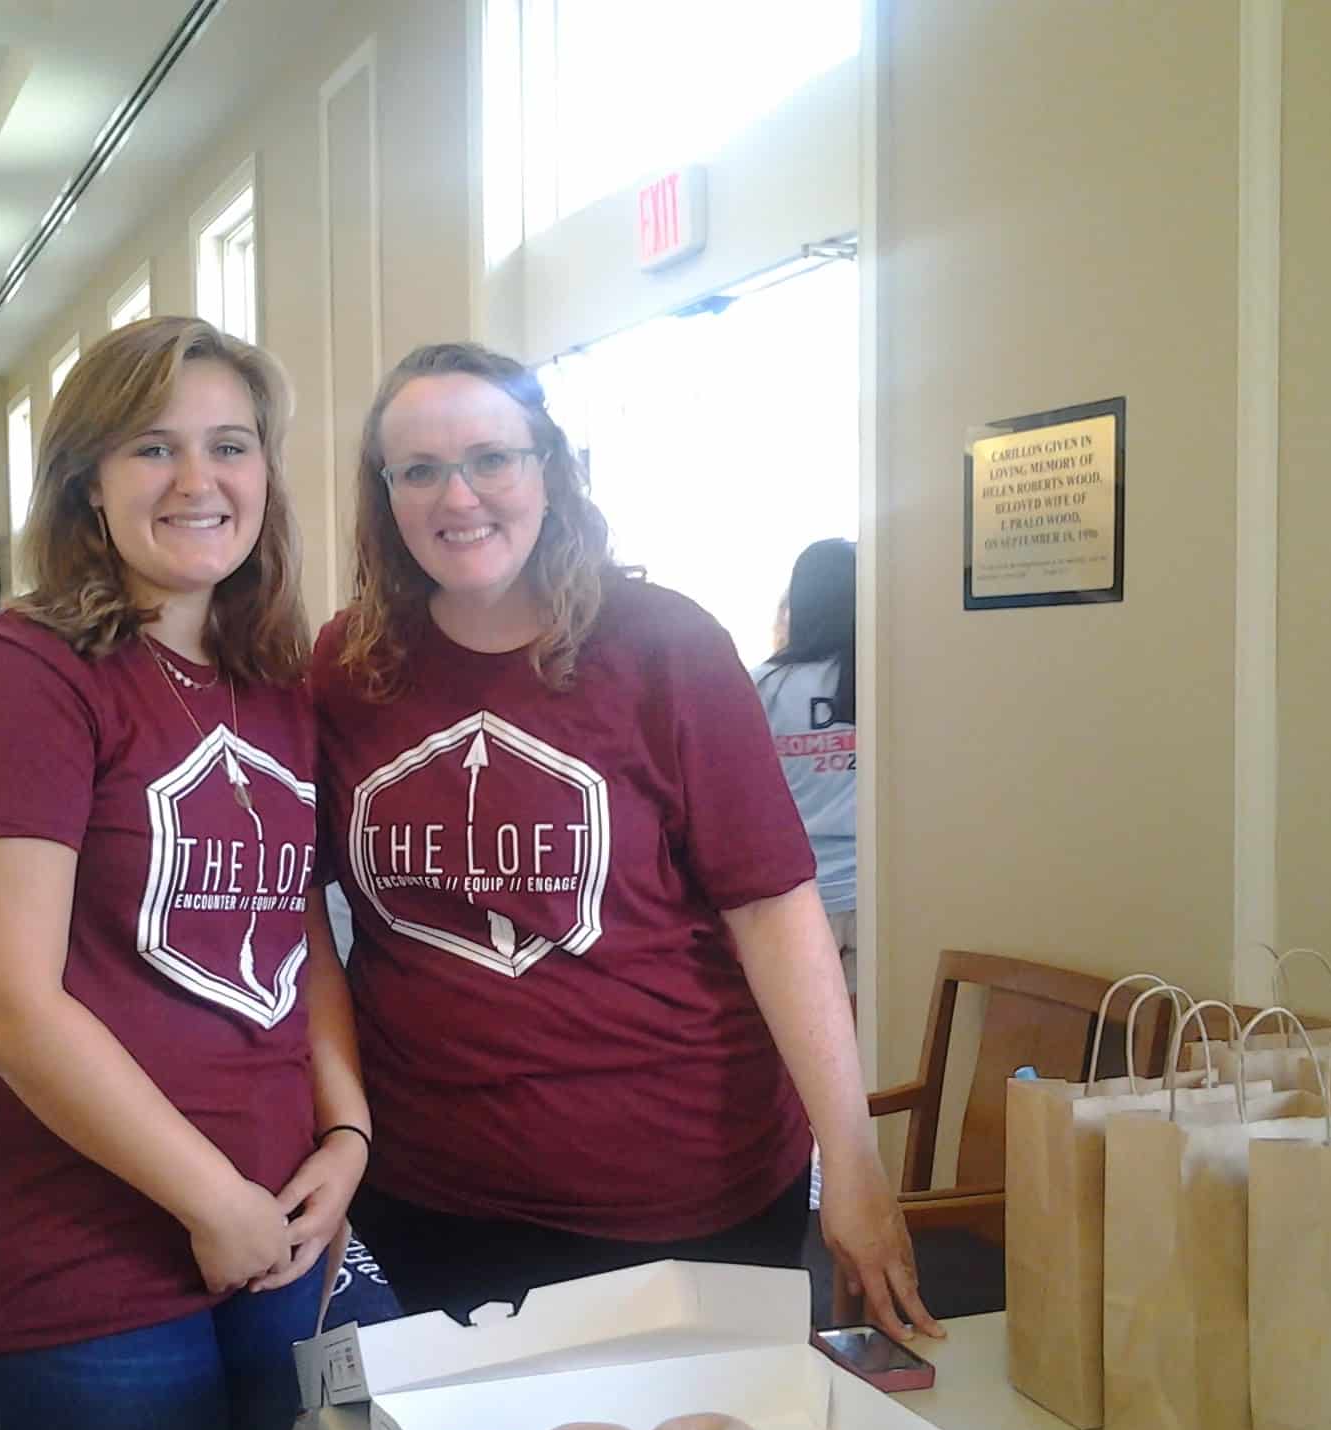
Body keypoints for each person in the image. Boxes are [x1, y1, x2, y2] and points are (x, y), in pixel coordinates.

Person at [312, 342, 941, 1342]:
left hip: (684, 1199)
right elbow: (303, 922)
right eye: (418, 469)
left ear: (548, 469)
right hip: (432, 1199)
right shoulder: (346, 671)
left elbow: (774, 915)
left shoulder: (663, 646)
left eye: (491, 458)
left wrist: (851, 1166)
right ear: (383, 494)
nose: (457, 495)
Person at [0, 317, 367, 1430]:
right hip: (77, 1266)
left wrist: (348, 1130)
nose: (199, 480)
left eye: (231, 445)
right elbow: (4, 998)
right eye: (152, 447)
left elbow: (293, 932)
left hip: (269, 1237)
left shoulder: (274, 688)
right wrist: (213, 1201)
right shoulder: (15, 675)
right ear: (85, 484)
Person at [756, 538, 859, 1003]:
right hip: (874, 889)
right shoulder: (880, 679)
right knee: (876, 1047)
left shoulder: (763, 685)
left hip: (794, 891)